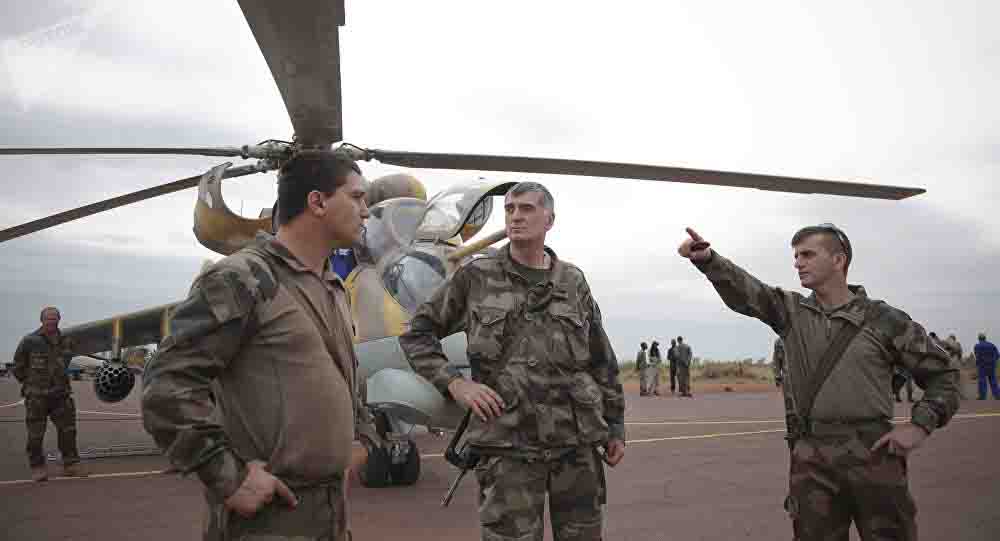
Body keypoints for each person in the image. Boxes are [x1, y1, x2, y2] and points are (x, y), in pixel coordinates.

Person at [142, 150, 369, 541]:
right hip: (266, 522)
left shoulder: (331, 286)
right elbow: (165, 386)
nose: (366, 211)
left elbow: (340, 376)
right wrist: (228, 478)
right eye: (357, 197)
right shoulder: (241, 277)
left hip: (329, 515)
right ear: (317, 202)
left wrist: (360, 437)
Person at [678, 225, 959, 540]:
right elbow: (748, 291)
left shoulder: (885, 320)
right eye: (796, 256)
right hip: (812, 460)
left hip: (875, 455)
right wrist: (708, 260)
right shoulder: (791, 312)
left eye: (808, 255)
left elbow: (945, 375)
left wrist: (920, 426)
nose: (798, 263)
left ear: (838, 260)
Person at [399, 181, 625, 541]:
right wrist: (456, 384)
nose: (516, 217)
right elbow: (417, 333)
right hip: (507, 447)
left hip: (575, 445)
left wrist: (615, 426)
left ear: (549, 220)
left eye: (527, 209)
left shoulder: (572, 281)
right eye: (510, 209)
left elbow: (601, 359)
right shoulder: (476, 277)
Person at [12, 306, 85, 482]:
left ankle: (70, 465)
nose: (51, 321)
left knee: (68, 431)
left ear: (59, 319)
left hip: (61, 395)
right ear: (41, 320)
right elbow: (18, 366)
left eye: (54, 318)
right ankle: (37, 466)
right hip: (37, 397)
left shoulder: (67, 340)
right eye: (48, 318)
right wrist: (32, 384)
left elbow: (66, 361)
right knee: (35, 434)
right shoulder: (30, 340)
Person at [973, 333, 1000, 400]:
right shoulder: (992, 345)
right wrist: (993, 361)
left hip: (982, 366)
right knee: (993, 381)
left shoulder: (977, 346)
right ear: (985, 338)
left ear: (979, 339)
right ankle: (997, 395)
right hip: (991, 366)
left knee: (982, 381)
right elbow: (997, 355)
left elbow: (977, 356)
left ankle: (982, 396)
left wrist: (978, 364)